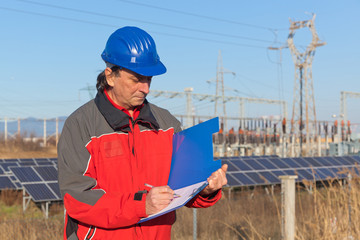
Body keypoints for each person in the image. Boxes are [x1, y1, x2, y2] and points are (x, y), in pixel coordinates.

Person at [57, 26, 228, 240]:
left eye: (149, 79)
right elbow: (79, 200)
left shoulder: (167, 124)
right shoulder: (81, 125)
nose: (145, 88)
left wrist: (206, 188)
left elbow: (183, 187)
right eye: (136, 79)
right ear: (110, 76)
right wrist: (141, 205)